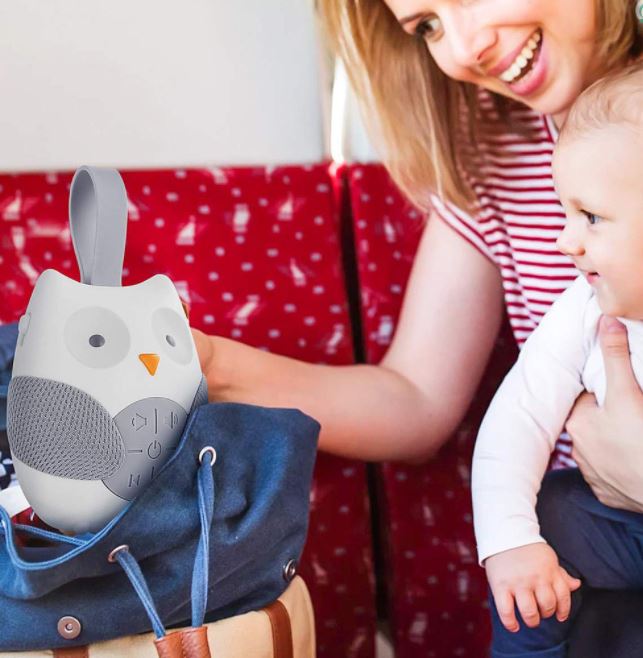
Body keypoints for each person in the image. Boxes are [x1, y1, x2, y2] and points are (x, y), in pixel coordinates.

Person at [193, 0, 642, 498]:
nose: (465, 50)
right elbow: (417, 398)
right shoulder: (491, 149)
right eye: (428, 26)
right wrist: (209, 367)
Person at [471, 62, 643, 657]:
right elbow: (518, 417)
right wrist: (510, 541)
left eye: (590, 216)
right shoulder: (581, 308)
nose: (565, 241)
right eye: (565, 213)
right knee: (552, 510)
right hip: (622, 528)